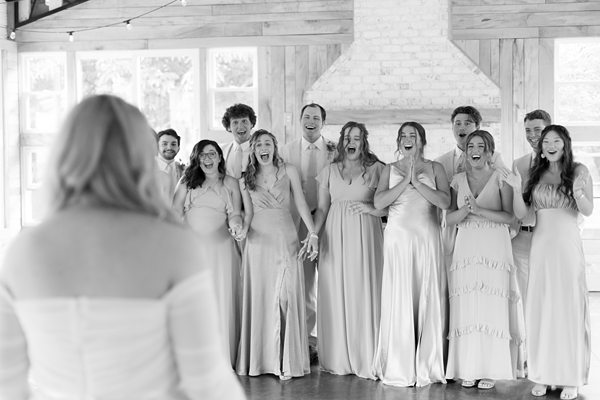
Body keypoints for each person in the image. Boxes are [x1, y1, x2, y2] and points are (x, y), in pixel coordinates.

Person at [0, 95, 245, 400]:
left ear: (64, 153)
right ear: (140, 154)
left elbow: (7, 385)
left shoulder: (24, 251)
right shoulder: (172, 245)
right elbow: (208, 383)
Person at [501, 125, 592, 400]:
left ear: (565, 144)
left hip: (567, 249)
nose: (551, 145)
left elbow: (588, 210)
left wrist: (578, 193)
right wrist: (517, 190)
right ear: (541, 147)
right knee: (541, 310)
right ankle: (543, 375)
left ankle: (571, 377)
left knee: (568, 310)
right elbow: (523, 214)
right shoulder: (536, 174)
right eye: (546, 141)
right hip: (540, 248)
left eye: (556, 140)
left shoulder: (579, 170)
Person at [445, 130, 524, 390]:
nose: (475, 150)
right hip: (466, 244)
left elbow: (510, 218)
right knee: (468, 304)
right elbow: (449, 219)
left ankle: (491, 368)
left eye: (481, 146)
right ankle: (469, 366)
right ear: (466, 152)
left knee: (492, 304)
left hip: (494, 244)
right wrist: (466, 210)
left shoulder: (500, 178)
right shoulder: (457, 180)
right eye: (470, 146)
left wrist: (480, 211)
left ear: (490, 152)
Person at [372, 122, 450, 387]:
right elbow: (379, 203)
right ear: (398, 141)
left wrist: (418, 181)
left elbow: (444, 203)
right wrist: (405, 180)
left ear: (421, 140)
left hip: (426, 238)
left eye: (412, 135)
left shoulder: (435, 168)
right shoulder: (389, 169)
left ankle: (426, 362)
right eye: (403, 135)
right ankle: (399, 362)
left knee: (426, 294)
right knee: (400, 296)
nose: (408, 139)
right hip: (397, 240)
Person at [236, 129, 318, 380]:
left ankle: (287, 360)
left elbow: (302, 204)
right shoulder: (244, 179)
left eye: (267, 143)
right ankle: (262, 361)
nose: (263, 147)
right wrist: (241, 232)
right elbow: (247, 213)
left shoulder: (289, 170)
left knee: (286, 296)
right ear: (253, 150)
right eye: (258, 144)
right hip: (257, 242)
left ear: (274, 147)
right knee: (261, 297)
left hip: (285, 236)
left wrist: (313, 233)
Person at [311, 121, 385, 379]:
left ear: (363, 142)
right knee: (335, 289)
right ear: (341, 142)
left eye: (356, 138)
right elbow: (322, 208)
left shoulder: (377, 169)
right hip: (334, 233)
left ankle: (366, 355)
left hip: (366, 233)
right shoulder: (329, 170)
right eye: (347, 137)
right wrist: (313, 234)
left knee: (364, 289)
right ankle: (339, 356)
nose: (351, 142)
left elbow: (390, 206)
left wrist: (372, 209)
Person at [172, 139, 248, 367]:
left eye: (212, 154)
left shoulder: (231, 183)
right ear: (197, 159)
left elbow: (236, 213)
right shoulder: (186, 182)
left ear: (219, 157)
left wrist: (236, 224)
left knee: (221, 298)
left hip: (222, 249)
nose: (207, 159)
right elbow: (175, 211)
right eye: (203, 155)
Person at [281, 103, 336, 361]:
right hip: (299, 223)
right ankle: (306, 342)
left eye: (316, 117)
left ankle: (332, 341)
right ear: (300, 121)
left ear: (323, 122)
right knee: (303, 284)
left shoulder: (335, 150)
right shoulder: (286, 151)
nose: (311, 121)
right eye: (306, 117)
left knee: (330, 280)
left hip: (329, 222)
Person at [511, 109, 551, 307]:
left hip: (551, 240)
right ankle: (531, 338)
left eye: (537, 129)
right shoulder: (518, 164)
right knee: (527, 301)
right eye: (528, 130)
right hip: (522, 241)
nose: (532, 135)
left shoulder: (564, 165)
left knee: (551, 298)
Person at [220, 103, 257, 179]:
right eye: (235, 122)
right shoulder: (222, 151)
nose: (240, 126)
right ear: (228, 127)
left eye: (244, 121)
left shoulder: (260, 149)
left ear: (252, 124)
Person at [156, 128, 185, 202]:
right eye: (164, 144)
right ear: (157, 146)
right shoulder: (149, 169)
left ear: (178, 148)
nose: (169, 147)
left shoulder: (184, 171)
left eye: (173, 144)